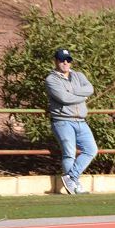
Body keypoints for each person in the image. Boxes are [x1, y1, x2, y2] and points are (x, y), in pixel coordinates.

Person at [45, 48, 97, 194]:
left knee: (91, 150)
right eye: (62, 60)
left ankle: (71, 178)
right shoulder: (51, 79)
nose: (65, 63)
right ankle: (73, 186)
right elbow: (64, 98)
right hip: (63, 121)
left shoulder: (78, 75)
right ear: (56, 61)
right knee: (69, 153)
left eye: (68, 60)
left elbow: (90, 89)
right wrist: (82, 96)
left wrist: (72, 91)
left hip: (81, 120)